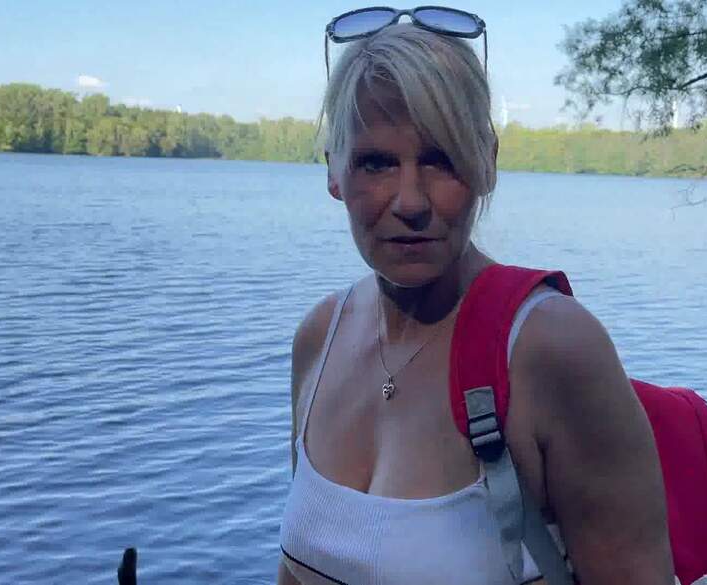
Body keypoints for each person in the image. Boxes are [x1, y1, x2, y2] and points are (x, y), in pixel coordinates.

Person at [278, 7, 674, 584]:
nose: (411, 201)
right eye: (376, 163)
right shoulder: (320, 338)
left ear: (487, 163)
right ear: (333, 172)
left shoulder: (550, 347)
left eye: (441, 160)